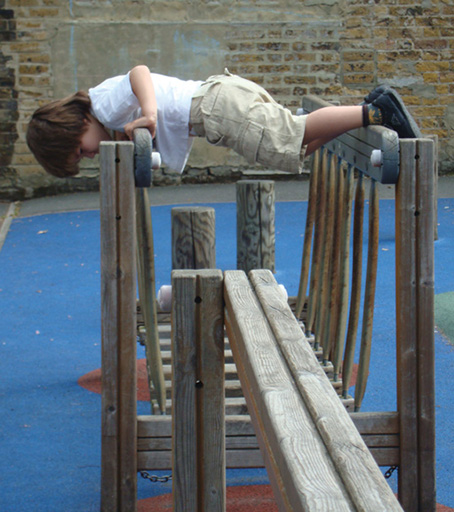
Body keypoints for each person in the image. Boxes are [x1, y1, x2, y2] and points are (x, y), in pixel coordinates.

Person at [26, 65, 421, 178]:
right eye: (85, 160)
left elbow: (139, 73)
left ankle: (378, 111)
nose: (90, 153)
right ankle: (361, 111)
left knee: (293, 134)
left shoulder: (104, 107)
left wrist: (149, 112)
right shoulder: (109, 119)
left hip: (216, 107)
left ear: (73, 125)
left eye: (80, 150)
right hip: (219, 104)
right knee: (295, 145)